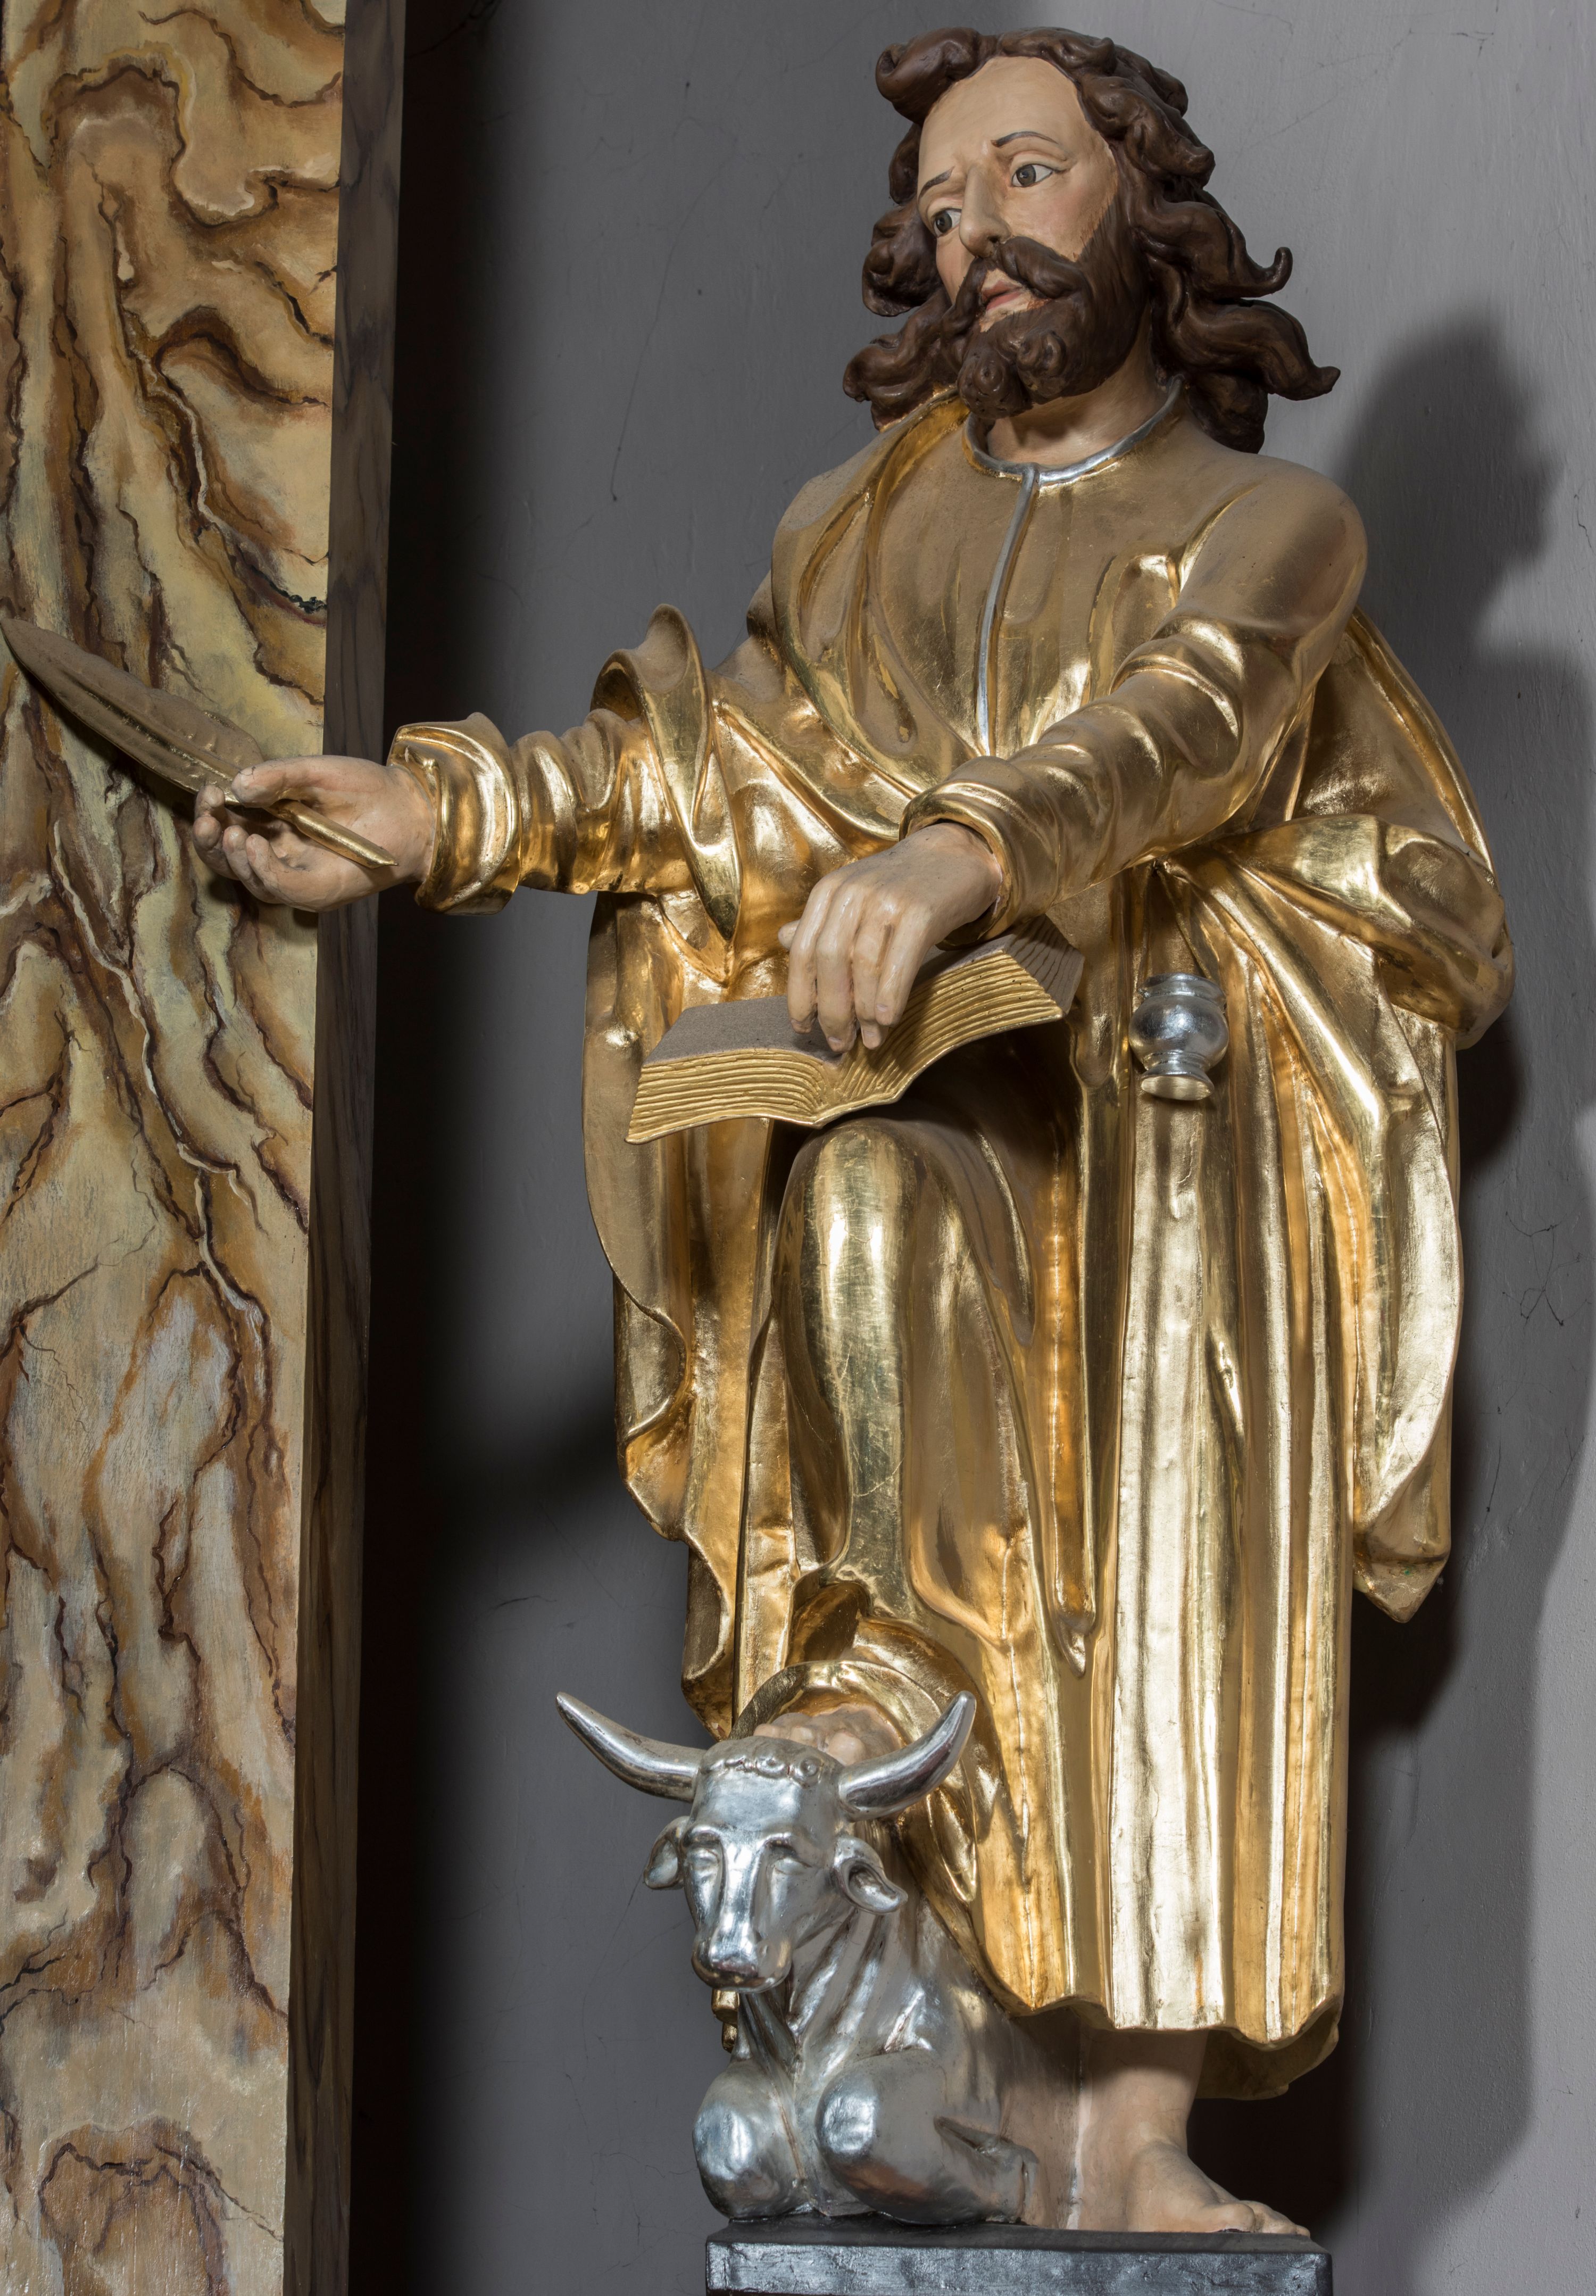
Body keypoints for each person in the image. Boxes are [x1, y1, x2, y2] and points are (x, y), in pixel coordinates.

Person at [194, 27, 1511, 2233]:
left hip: (1175, 1140)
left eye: (1029, 173)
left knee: (1160, 1536)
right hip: (948, 1112)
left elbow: (1179, 727)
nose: (975, 231)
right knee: (857, 1210)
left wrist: (959, 853)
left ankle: (1129, 2131)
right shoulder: (864, 530)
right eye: (940, 199)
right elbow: (717, 778)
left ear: (1147, 207)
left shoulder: (1268, 524)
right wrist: (440, 815)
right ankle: (909, 1888)